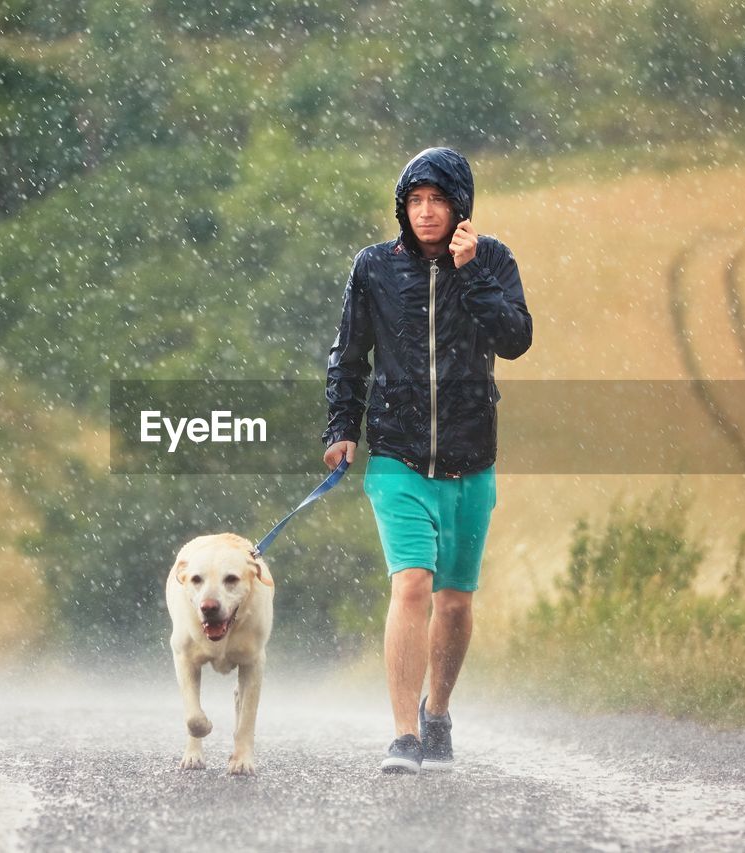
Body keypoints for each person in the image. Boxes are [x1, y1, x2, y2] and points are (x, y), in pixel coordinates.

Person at [321, 147, 533, 773]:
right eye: (415, 201)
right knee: (411, 584)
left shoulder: (492, 260)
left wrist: (471, 274)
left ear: (461, 206)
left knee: (456, 602)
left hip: (471, 455)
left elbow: (515, 340)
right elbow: (349, 354)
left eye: (438, 200)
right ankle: (405, 734)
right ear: (402, 208)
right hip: (397, 455)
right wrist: (342, 427)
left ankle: (437, 711)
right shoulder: (375, 269)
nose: (426, 212)